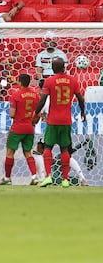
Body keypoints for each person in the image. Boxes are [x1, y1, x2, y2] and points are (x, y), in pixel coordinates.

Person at [32, 57, 85, 188]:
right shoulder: (72, 80)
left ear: (53, 68)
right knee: (65, 149)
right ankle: (65, 180)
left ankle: (48, 177)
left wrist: (35, 114)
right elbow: (80, 98)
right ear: (64, 67)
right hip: (66, 120)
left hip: (53, 120)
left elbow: (43, 100)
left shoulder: (49, 81)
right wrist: (83, 112)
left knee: (48, 147)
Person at [0, 74, 39, 185]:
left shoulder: (16, 95)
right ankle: (35, 177)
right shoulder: (35, 95)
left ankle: (7, 178)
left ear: (20, 82)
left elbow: (12, 114)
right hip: (30, 128)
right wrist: (33, 121)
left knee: (10, 152)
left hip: (17, 128)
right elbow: (38, 114)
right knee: (28, 153)